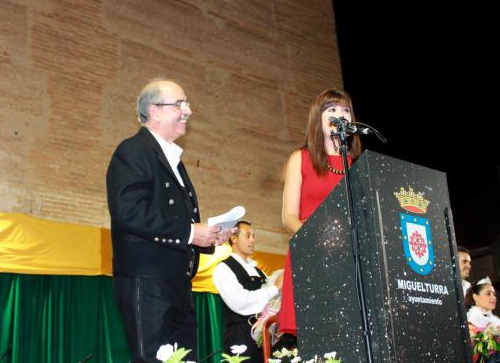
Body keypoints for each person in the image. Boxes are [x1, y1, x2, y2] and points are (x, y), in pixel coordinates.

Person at [106, 79, 222, 362]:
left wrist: (207, 235)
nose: (188, 111)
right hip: (147, 280)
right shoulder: (133, 150)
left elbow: (177, 218)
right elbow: (127, 211)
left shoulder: (174, 160)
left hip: (177, 282)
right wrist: (189, 232)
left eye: (188, 104)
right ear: (155, 111)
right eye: (180, 104)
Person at [276, 89, 362, 348]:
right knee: (314, 340)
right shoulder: (300, 159)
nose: (340, 115)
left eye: (345, 110)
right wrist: (318, 242)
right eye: (331, 109)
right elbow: (288, 216)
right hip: (311, 255)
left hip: (350, 261)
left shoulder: (357, 164)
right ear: (318, 118)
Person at [212, 221, 284, 362]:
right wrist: (275, 288)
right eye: (248, 235)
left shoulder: (260, 272)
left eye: (254, 236)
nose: (253, 240)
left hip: (264, 337)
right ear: (233, 238)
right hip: (240, 337)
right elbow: (240, 302)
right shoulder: (223, 268)